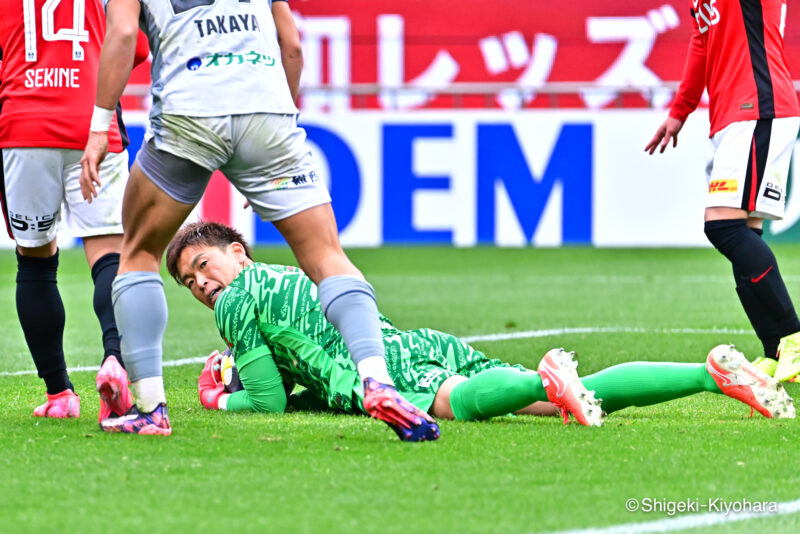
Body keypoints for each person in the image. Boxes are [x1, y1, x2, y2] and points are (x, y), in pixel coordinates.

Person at [78, 0, 438, 440]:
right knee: (327, 257)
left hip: (191, 109)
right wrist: (274, 140)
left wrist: (99, 127)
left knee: (137, 252)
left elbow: (121, 35)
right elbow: (292, 45)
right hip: (268, 114)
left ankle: (151, 409)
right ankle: (377, 379)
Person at [166, 221, 796, 429]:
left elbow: (271, 402)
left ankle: (543, 379)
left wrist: (224, 399)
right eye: (190, 282)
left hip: (386, 369)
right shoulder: (280, 274)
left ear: (236, 251)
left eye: (203, 264)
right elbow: (300, 370)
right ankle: (709, 376)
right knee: (575, 402)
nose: (201, 284)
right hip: (411, 342)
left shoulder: (235, 303)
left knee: (462, 407)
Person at [0, 0, 148, 421]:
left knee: (34, 260)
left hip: (24, 125)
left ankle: (59, 394)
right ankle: (115, 360)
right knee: (110, 253)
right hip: (90, 122)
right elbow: (131, 44)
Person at [645, 0, 800, 382]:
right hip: (735, 115)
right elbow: (701, 44)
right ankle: (776, 350)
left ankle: (794, 337)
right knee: (743, 232)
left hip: (759, 106)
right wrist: (679, 112)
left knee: (722, 226)